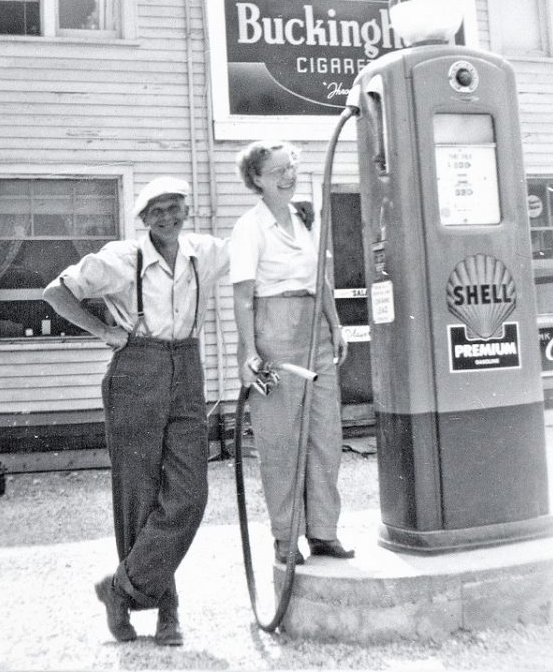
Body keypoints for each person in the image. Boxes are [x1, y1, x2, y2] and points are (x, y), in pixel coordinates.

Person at [42, 177, 229, 646]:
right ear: (143, 219)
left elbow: (251, 250)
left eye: (174, 207)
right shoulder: (120, 259)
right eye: (156, 210)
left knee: (190, 494)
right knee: (138, 497)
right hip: (136, 369)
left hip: (186, 365)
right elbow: (56, 292)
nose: (167, 217)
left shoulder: (203, 252)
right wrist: (105, 333)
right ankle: (166, 613)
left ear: (186, 210)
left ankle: (120, 590)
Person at [230, 140, 354, 565]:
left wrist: (335, 326)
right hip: (274, 326)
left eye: (292, 167)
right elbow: (243, 296)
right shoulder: (249, 227)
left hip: (315, 327)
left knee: (325, 433)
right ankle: (286, 537)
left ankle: (323, 531)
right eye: (277, 170)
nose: (288, 176)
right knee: (281, 439)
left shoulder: (305, 218)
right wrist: (247, 353)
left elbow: (322, 276)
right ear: (257, 180)